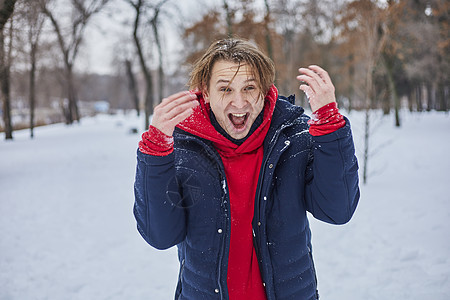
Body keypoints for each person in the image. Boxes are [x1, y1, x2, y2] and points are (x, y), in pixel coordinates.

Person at [134, 38, 359, 300]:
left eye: (249, 87)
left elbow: (337, 209)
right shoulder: (185, 147)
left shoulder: (294, 137)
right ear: (205, 92)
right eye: (225, 89)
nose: (239, 103)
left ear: (264, 90)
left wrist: (330, 127)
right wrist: (155, 153)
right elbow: (160, 235)